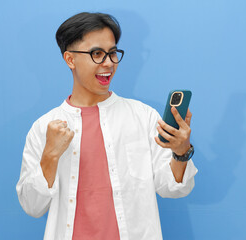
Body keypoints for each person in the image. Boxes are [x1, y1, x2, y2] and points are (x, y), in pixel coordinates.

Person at [16, 12, 198, 240]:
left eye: (112, 53)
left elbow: (173, 188)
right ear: (70, 59)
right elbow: (32, 206)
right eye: (97, 54)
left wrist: (181, 152)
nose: (109, 63)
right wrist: (50, 156)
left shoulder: (143, 117)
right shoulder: (44, 127)